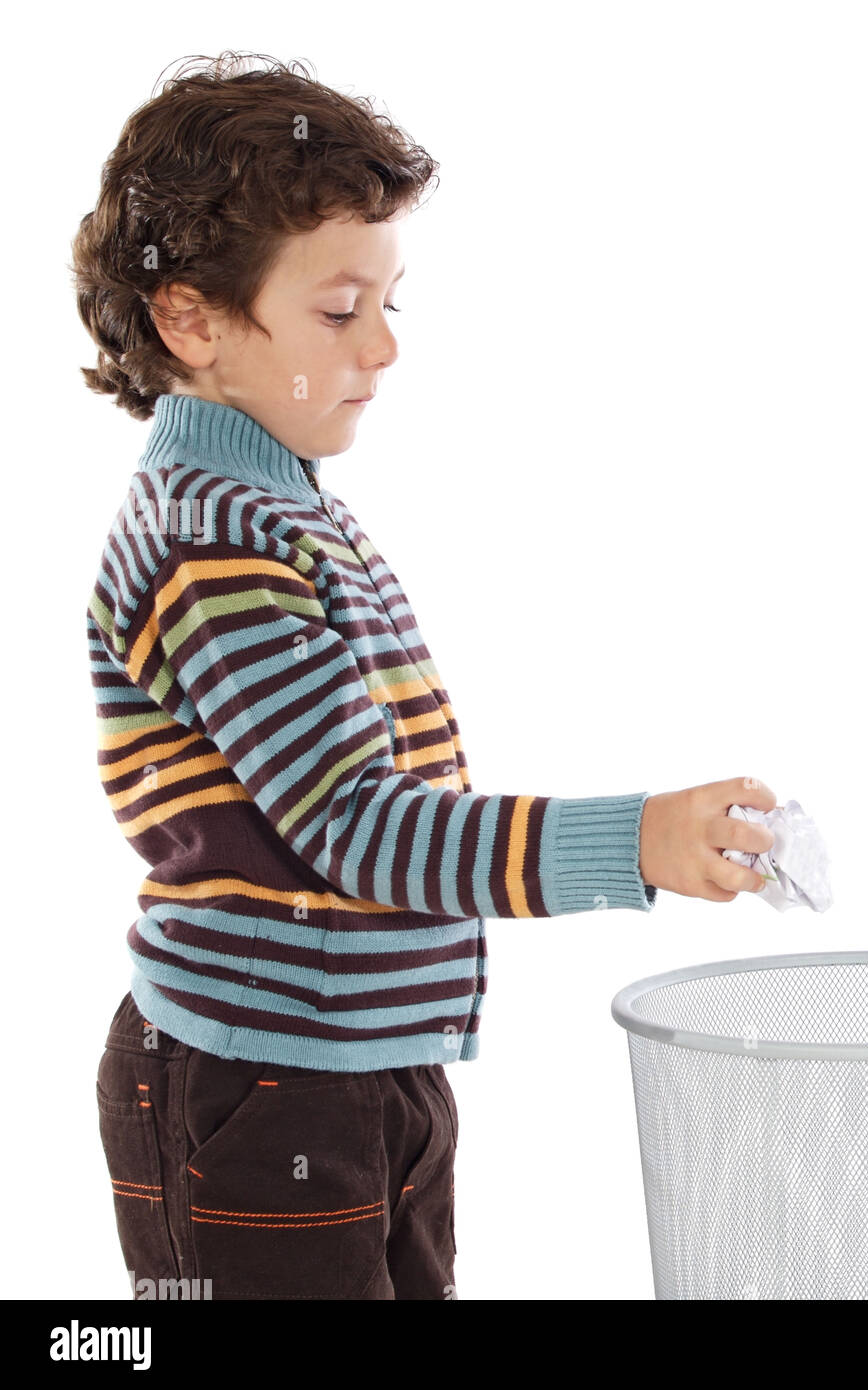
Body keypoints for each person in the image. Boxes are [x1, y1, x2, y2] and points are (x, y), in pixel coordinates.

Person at [74, 50, 775, 1301]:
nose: (385, 345)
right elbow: (359, 828)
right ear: (191, 320)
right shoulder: (215, 539)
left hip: (353, 1059)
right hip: (256, 1083)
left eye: (391, 302)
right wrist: (635, 843)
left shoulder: (280, 507)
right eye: (340, 311)